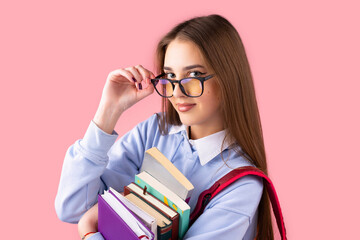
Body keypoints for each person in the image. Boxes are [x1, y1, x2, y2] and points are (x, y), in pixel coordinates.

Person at [55, 14, 275, 240]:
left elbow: (88, 219)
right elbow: (74, 207)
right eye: (170, 75)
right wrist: (108, 111)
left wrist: (89, 233)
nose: (177, 91)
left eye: (194, 75)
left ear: (229, 77)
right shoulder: (154, 132)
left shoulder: (242, 184)